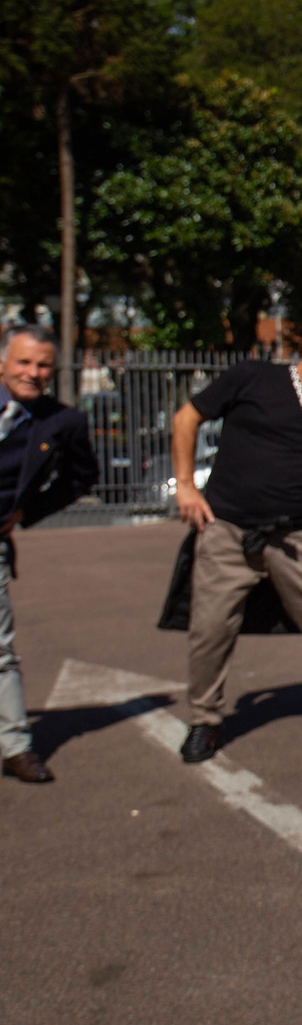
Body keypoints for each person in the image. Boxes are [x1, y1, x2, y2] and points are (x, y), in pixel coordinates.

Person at [170, 327, 302, 763]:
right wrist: (187, 487)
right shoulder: (252, 378)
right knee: (211, 630)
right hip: (227, 529)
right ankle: (205, 720)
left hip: (294, 538)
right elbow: (186, 418)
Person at [0, 325, 99, 784]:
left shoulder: (62, 422)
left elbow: (80, 478)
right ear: (3, 362)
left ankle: (16, 746)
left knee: (0, 652)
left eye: (43, 365)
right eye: (23, 362)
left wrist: (24, 512)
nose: (33, 373)